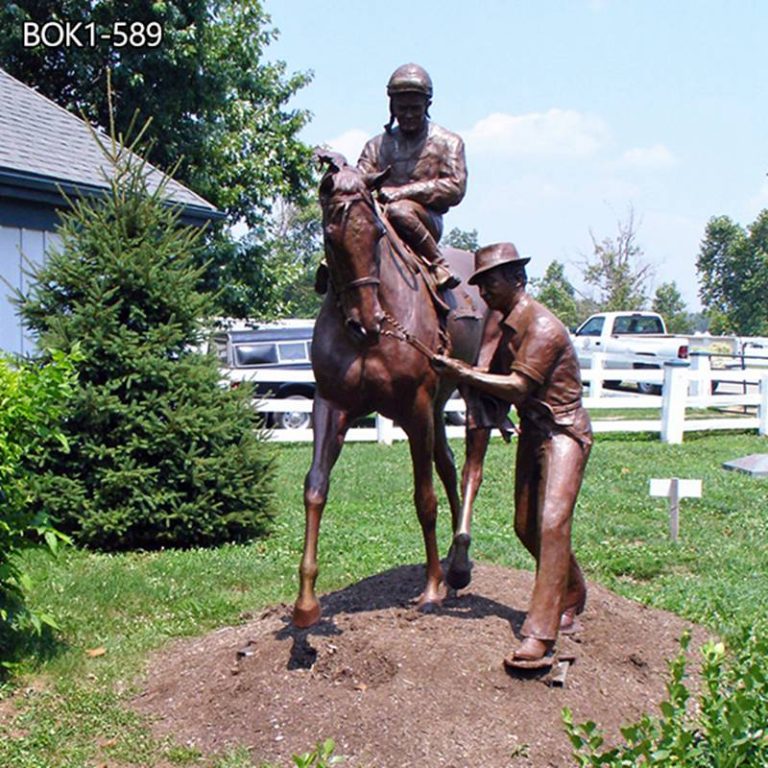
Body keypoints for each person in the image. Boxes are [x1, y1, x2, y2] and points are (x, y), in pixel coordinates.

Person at [431, 242, 592, 670]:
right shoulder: (504, 326)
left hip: (563, 432)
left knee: (552, 522)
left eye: (491, 283)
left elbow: (519, 386)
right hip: (534, 431)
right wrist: (465, 376)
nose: (484, 292)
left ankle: (539, 634)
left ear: (518, 280)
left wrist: (461, 372)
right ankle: (573, 589)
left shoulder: (542, 328)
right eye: (480, 284)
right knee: (525, 527)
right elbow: (491, 374)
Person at [357, 63, 466, 290]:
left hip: (424, 220)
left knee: (399, 210)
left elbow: (456, 187)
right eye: (401, 108)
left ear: (427, 105)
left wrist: (402, 193)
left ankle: (438, 263)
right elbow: (359, 182)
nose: (407, 115)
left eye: (414, 108)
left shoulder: (449, 142)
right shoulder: (375, 146)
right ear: (392, 106)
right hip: (378, 219)